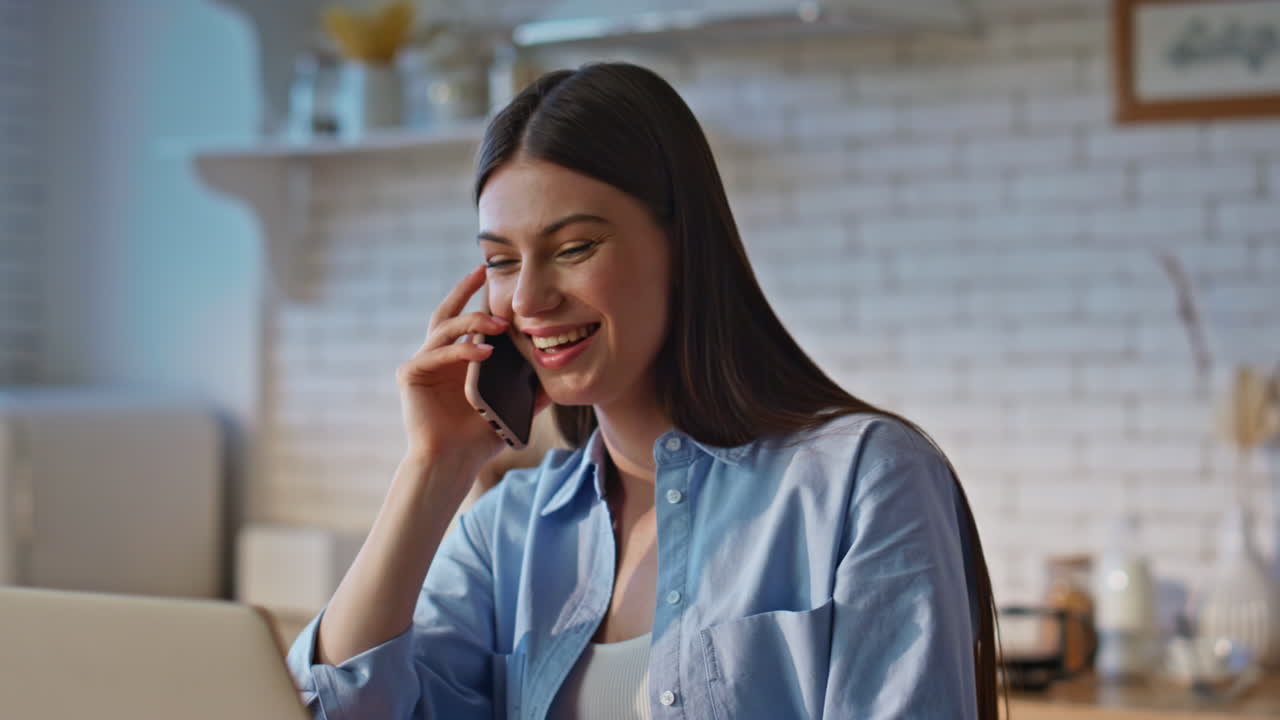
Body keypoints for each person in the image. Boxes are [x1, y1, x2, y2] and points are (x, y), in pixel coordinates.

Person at [286, 62, 999, 719]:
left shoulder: (859, 479)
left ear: (681, 246)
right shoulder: (508, 532)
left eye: (574, 249)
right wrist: (433, 469)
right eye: (500, 261)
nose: (529, 298)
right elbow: (333, 712)